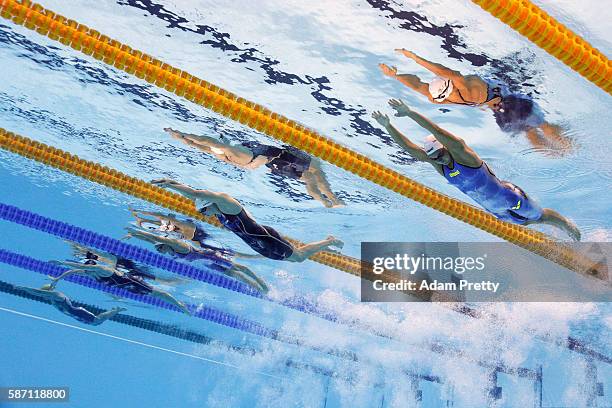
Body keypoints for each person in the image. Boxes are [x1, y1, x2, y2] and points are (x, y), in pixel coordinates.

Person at [372, 99, 580, 241]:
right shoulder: (440, 165)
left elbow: (437, 131)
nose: (438, 159)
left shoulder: (463, 155)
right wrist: (388, 126)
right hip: (495, 208)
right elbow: (412, 150)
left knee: (538, 216)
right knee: (524, 224)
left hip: (509, 196)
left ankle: (569, 229)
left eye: (440, 154)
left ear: (445, 148)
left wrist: (409, 113)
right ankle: (555, 238)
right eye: (434, 157)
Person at [379, 49, 572, 154]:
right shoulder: (466, 89)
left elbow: (417, 85)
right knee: (542, 124)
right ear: (451, 85)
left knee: (528, 132)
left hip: (501, 116)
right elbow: (447, 72)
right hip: (510, 102)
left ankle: (555, 154)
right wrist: (416, 58)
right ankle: (570, 147)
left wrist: (395, 76)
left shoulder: (439, 99)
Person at [150, 178, 344, 261]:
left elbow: (196, 192)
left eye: (204, 211)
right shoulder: (217, 212)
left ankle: (329, 241)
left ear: (210, 204)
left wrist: (169, 184)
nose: (204, 215)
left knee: (299, 257)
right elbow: (194, 197)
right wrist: (173, 183)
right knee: (292, 259)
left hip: (265, 236)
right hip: (255, 242)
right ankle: (324, 245)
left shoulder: (228, 205)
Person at [165, 128, 345, 208]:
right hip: (276, 157)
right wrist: (182, 134)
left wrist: (180, 137)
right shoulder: (232, 150)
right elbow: (206, 141)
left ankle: (324, 202)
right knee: (316, 171)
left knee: (309, 179)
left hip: (272, 164)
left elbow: (198, 145)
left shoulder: (220, 154)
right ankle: (332, 199)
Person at [123, 226, 269, 293]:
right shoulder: (170, 251)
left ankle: (263, 285)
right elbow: (151, 241)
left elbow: (154, 237)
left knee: (240, 269)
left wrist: (136, 232)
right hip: (207, 263)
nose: (159, 251)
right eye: (158, 249)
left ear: (164, 244)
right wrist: (135, 236)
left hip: (210, 256)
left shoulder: (176, 245)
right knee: (234, 275)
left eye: (159, 248)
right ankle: (259, 290)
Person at [48, 259, 192, 314]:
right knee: (154, 296)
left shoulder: (101, 269)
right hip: (127, 288)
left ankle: (180, 305)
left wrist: (62, 262)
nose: (85, 270)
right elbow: (74, 272)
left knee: (159, 293)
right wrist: (57, 279)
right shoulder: (90, 273)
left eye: (87, 267)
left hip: (132, 282)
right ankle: (177, 301)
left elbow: (76, 267)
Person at [19, 284, 125, 326]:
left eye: (45, 294)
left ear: (48, 292)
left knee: (96, 321)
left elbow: (37, 292)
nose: (44, 297)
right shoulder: (52, 300)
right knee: (96, 323)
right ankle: (114, 310)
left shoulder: (56, 295)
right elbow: (40, 294)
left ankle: (116, 310)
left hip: (77, 312)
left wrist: (23, 288)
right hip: (74, 315)